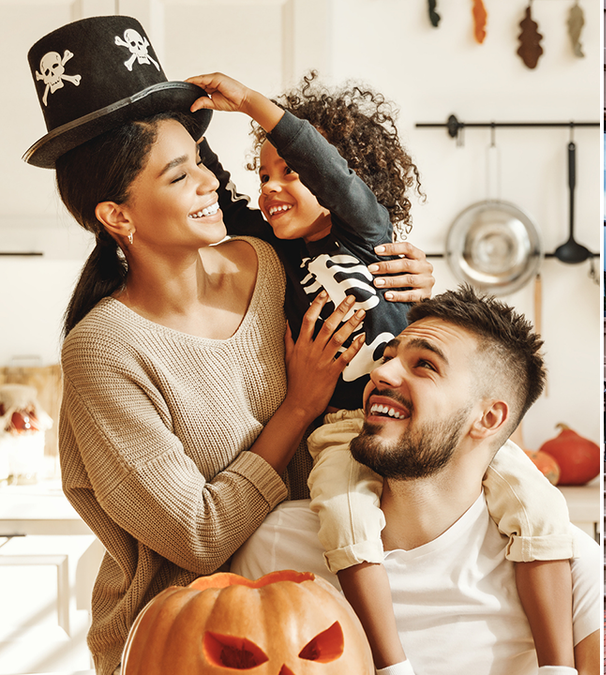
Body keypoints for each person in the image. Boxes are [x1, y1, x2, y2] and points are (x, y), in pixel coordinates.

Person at [20, 17, 432, 675]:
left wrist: (412, 277)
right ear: (117, 216)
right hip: (186, 640)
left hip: (317, 621)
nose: (212, 183)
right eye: (181, 176)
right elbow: (198, 534)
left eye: (203, 163)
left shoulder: (270, 264)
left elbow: (352, 251)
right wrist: (297, 407)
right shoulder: (102, 350)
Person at [185, 71, 580, 675]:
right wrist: (190, 125)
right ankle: (391, 664)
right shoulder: (267, 249)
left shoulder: (368, 234)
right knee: (343, 514)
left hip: (434, 418)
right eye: (264, 175)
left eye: (291, 172)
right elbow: (219, 194)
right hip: (345, 425)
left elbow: (330, 172)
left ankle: (558, 664)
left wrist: (250, 104)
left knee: (539, 506)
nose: (272, 187)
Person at [232, 286, 601, 675]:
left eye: (424, 365)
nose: (380, 372)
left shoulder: (574, 567)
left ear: (489, 419)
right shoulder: (276, 548)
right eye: (389, 357)